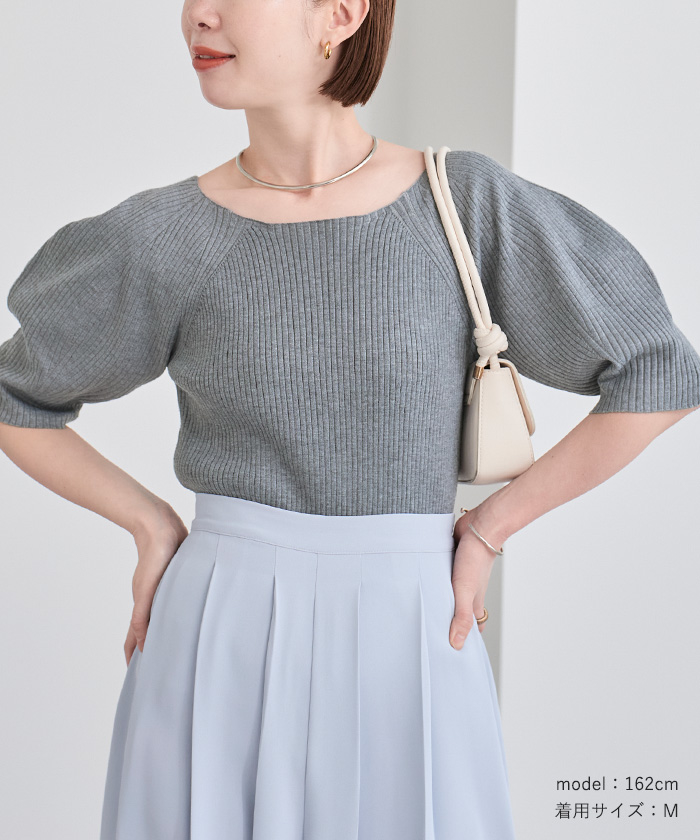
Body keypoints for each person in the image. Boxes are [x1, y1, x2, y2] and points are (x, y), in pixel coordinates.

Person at [1, 1, 699, 838]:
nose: (198, 15)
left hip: (412, 626)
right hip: (217, 630)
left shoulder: (461, 204)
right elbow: (16, 394)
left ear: (339, 12)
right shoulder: (164, 236)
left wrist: (489, 530)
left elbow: (658, 370)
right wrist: (149, 523)